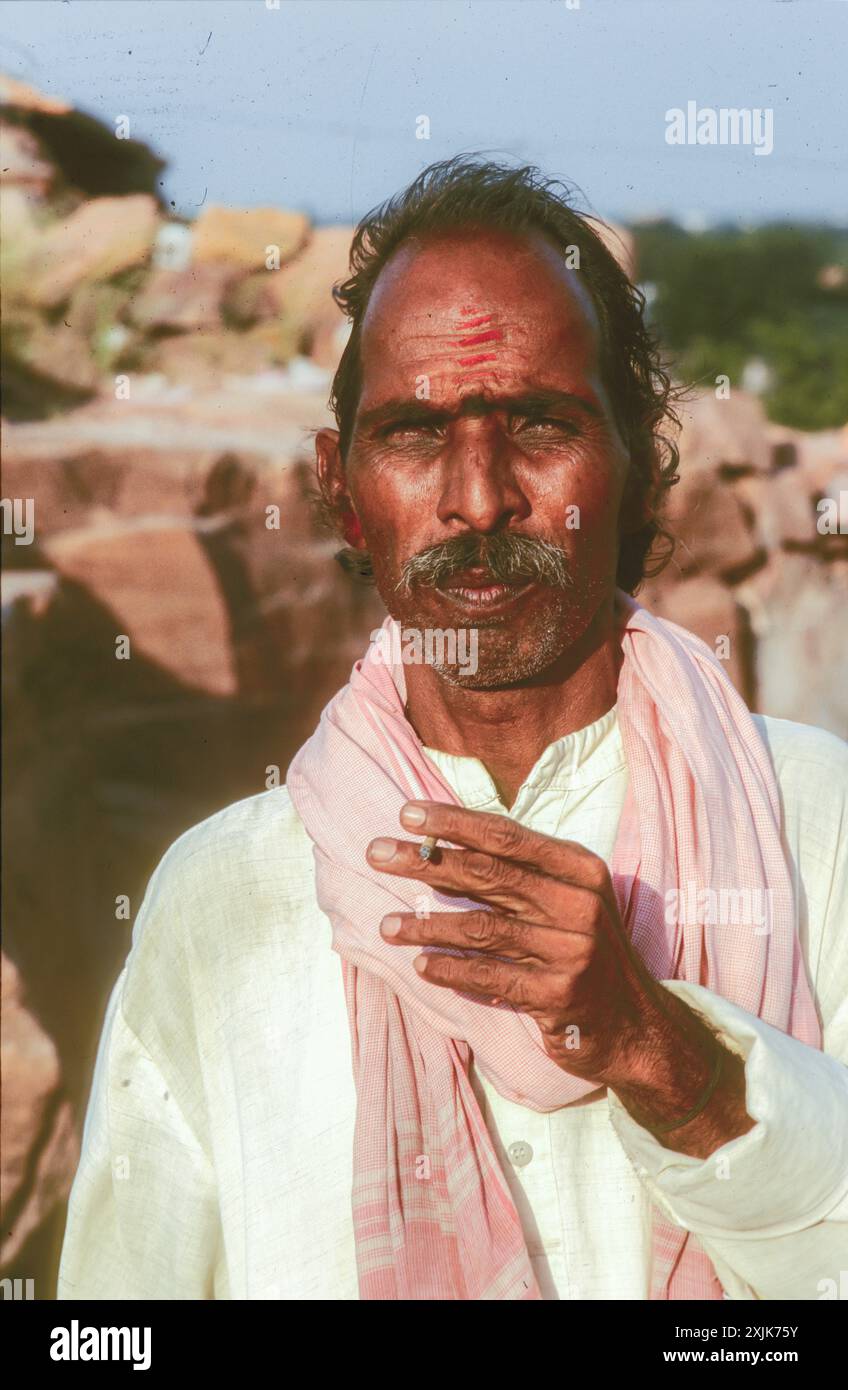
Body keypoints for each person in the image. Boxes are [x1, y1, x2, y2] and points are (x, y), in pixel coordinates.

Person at [58, 158, 848, 1301]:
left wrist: (661, 1053)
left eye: (538, 424)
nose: (479, 500)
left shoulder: (814, 822)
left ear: (636, 469)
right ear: (342, 490)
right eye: (417, 435)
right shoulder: (223, 896)